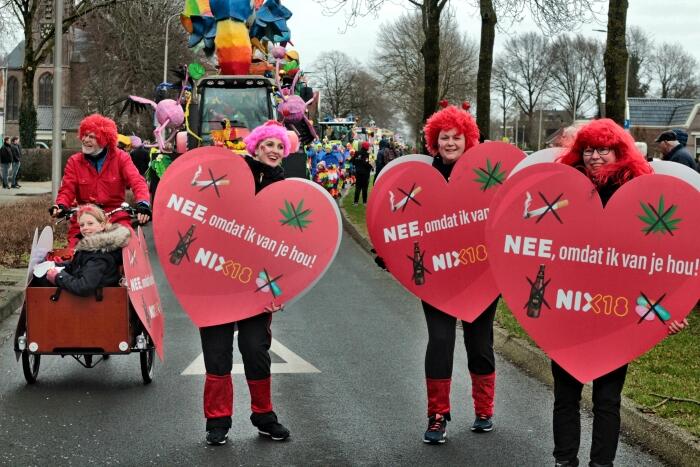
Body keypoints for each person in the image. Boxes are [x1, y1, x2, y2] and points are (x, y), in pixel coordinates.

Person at [555, 118, 689, 467]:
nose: (594, 157)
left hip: (616, 313)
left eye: (603, 149)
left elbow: (661, 261)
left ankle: (602, 464)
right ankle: (564, 461)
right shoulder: (565, 191)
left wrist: (669, 311)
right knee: (565, 396)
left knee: (607, 399)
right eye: (588, 149)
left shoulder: (640, 195)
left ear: (619, 152)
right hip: (569, 311)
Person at [376, 104, 499, 445]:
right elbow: (400, 221)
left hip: (481, 274)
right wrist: (391, 254)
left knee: (480, 343)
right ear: (434, 140)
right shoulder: (421, 176)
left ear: (468, 139)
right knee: (441, 341)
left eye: (456, 137)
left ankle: (484, 409)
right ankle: (437, 415)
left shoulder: (484, 173)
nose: (449, 143)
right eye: (443, 137)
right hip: (438, 275)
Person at [200, 120, 290, 446]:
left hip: (258, 284)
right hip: (217, 278)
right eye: (268, 144)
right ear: (255, 147)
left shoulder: (288, 190)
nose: (274, 150)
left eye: (280, 146)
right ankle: (218, 421)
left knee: (255, 349)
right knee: (217, 351)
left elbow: (291, 247)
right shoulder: (233, 176)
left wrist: (279, 291)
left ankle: (264, 416)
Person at [49, 114, 151, 247]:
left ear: (104, 139)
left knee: (128, 244)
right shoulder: (74, 161)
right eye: (84, 135)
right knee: (75, 249)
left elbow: (137, 181)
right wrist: (61, 205)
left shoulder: (121, 158)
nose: (85, 140)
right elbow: (67, 189)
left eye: (91, 137)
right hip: (86, 216)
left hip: (115, 215)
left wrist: (143, 204)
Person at [44, 204, 130, 296]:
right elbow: (77, 265)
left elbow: (84, 287)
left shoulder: (100, 255)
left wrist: (58, 277)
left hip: (96, 303)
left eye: (90, 223)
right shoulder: (90, 247)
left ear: (102, 225)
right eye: (82, 225)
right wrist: (53, 264)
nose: (85, 228)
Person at [352, 141, 372, 205]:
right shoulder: (367, 154)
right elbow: (367, 164)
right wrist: (371, 166)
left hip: (358, 173)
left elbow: (353, 161)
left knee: (358, 187)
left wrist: (357, 165)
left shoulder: (357, 153)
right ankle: (364, 202)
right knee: (364, 188)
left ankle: (355, 202)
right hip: (365, 174)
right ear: (367, 147)